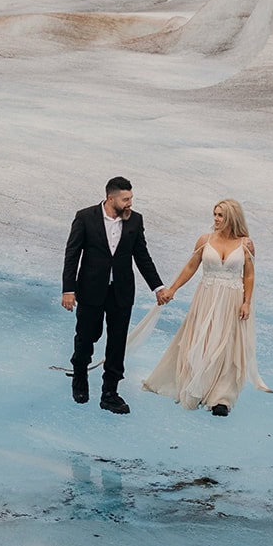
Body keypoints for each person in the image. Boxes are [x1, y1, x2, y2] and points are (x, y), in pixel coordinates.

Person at [141, 199, 267, 416]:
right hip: (206, 297)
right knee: (202, 340)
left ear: (232, 218)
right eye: (215, 214)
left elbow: (249, 274)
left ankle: (221, 398)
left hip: (232, 299)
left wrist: (246, 302)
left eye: (221, 215)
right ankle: (195, 387)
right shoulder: (204, 240)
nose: (216, 219)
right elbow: (191, 266)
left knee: (226, 345)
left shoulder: (246, 244)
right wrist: (173, 289)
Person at [62, 177, 170, 414]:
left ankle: (110, 392)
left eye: (131, 198)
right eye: (125, 199)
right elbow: (72, 255)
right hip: (90, 289)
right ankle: (79, 375)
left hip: (120, 291)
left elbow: (142, 256)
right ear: (111, 198)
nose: (130, 203)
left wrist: (158, 287)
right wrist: (68, 290)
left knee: (117, 342)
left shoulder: (135, 220)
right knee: (86, 336)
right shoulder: (85, 217)